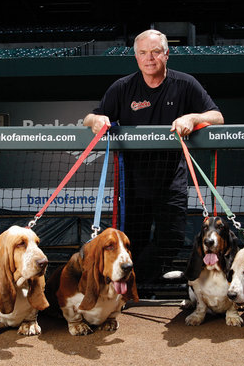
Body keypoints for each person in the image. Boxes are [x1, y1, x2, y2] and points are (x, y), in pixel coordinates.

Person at [83, 29, 224, 287]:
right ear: (136, 57)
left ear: (166, 54)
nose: (150, 58)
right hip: (134, 183)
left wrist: (193, 118)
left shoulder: (185, 84)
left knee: (172, 239)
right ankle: (138, 288)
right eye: (143, 53)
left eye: (156, 52)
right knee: (132, 241)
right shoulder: (122, 87)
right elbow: (89, 118)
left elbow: (217, 116)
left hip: (172, 179)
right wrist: (98, 120)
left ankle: (141, 284)